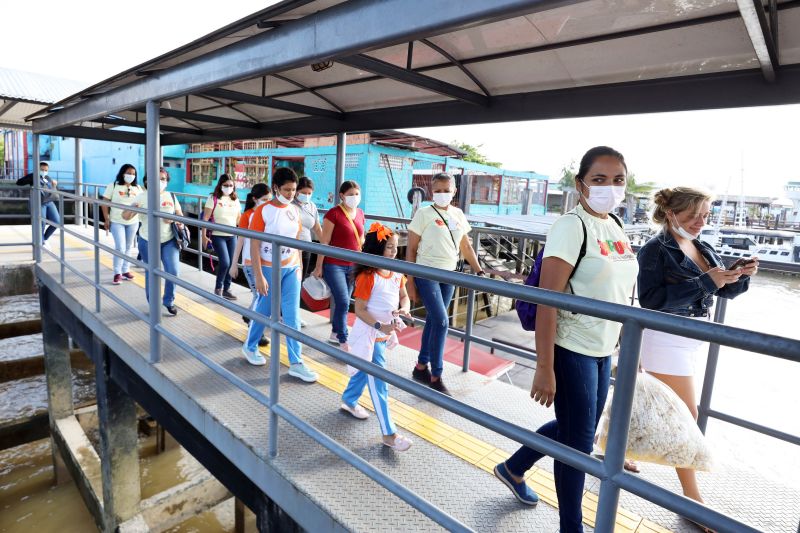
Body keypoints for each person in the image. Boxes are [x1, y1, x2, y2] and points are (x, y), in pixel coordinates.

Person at [494, 147, 639, 533]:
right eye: (599, 180)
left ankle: (513, 467)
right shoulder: (572, 226)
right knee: (578, 446)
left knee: (579, 429)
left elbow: (619, 293)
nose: (610, 188)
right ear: (580, 184)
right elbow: (547, 300)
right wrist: (544, 367)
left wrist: (627, 345)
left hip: (603, 348)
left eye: (618, 180)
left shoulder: (616, 227)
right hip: (572, 346)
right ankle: (570, 527)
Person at [637, 187, 755, 517]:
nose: (701, 221)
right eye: (694, 215)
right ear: (672, 214)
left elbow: (725, 290)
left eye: (705, 214)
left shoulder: (703, 245)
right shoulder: (654, 250)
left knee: (651, 402)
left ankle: (614, 450)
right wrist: (707, 282)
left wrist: (740, 275)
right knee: (687, 415)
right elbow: (651, 301)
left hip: (692, 338)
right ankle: (691, 500)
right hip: (666, 337)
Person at [405, 172, 483, 396]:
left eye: (446, 190)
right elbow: (411, 249)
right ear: (431, 191)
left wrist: (478, 270)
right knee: (441, 321)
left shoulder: (458, 214)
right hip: (426, 272)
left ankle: (421, 366)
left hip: (450, 275)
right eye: (437, 190)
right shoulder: (423, 213)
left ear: (454, 191)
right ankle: (436, 375)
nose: (441, 194)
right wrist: (410, 281)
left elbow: (466, 247)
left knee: (433, 320)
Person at [339, 223, 414, 451]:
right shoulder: (367, 276)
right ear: (377, 249)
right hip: (370, 334)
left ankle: (349, 400)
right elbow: (359, 310)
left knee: (364, 370)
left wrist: (403, 308)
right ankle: (389, 434)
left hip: (383, 332)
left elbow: (404, 297)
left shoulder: (396, 272)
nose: (393, 252)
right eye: (389, 248)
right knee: (379, 382)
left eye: (395, 248)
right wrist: (380, 325)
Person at [242, 168, 318, 383]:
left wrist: (300, 267)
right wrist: (258, 276)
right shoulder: (263, 211)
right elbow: (254, 244)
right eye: (286, 190)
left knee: (292, 315)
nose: (291, 194)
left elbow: (297, 242)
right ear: (276, 187)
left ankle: (296, 362)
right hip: (268, 267)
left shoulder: (295, 210)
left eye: (293, 190)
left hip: (291, 267)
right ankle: (249, 346)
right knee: (264, 310)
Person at [121, 168, 184, 316]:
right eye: (157, 178)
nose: (160, 181)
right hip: (147, 241)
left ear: (167, 182)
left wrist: (174, 219)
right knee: (152, 273)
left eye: (163, 179)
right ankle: (153, 303)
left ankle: (168, 300)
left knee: (173, 271)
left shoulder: (171, 196)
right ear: (148, 181)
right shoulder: (142, 197)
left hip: (169, 240)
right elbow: (125, 216)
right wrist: (132, 210)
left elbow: (180, 215)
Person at [312, 181, 365, 350]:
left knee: (345, 301)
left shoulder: (361, 213)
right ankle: (343, 338)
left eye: (356, 194)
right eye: (350, 194)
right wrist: (319, 266)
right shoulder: (333, 214)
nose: (354, 197)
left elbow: (361, 239)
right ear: (341, 196)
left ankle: (335, 333)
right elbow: (325, 241)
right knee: (342, 301)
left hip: (353, 265)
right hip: (334, 264)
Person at [229, 183, 270, 347]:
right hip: (249, 262)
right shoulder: (247, 216)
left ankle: (249, 316)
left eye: (269, 199)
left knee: (260, 296)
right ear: (255, 199)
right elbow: (240, 241)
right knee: (260, 297)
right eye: (264, 199)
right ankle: (256, 333)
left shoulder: (269, 213)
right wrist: (234, 264)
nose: (268, 202)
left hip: (264, 262)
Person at [201, 174, 242, 300]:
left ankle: (226, 289)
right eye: (226, 185)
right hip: (217, 235)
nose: (228, 187)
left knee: (232, 263)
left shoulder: (235, 199)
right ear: (220, 185)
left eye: (231, 185)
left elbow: (239, 219)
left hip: (232, 236)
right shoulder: (213, 198)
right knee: (225, 262)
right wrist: (203, 236)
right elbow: (205, 219)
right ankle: (218, 288)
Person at [102, 164, 143, 285]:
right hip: (117, 221)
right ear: (122, 173)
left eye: (133, 174)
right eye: (129, 173)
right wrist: (106, 219)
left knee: (129, 246)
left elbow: (142, 202)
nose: (131, 176)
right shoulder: (114, 186)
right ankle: (117, 272)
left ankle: (125, 270)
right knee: (120, 247)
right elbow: (104, 203)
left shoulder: (138, 188)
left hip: (133, 222)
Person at [17, 161, 59, 247]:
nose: (44, 171)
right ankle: (41, 242)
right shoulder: (33, 176)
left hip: (49, 202)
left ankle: (44, 239)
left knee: (57, 222)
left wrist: (54, 184)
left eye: (46, 170)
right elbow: (19, 182)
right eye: (42, 169)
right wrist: (32, 178)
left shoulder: (48, 178)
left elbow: (51, 190)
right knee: (41, 223)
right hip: (40, 203)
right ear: (38, 169)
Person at [294, 176, 323, 279]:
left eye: (309, 193)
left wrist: (326, 244)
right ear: (296, 191)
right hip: (292, 248)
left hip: (307, 248)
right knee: (293, 279)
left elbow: (317, 228)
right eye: (303, 193)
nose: (306, 196)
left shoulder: (311, 206)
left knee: (301, 279)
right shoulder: (290, 205)